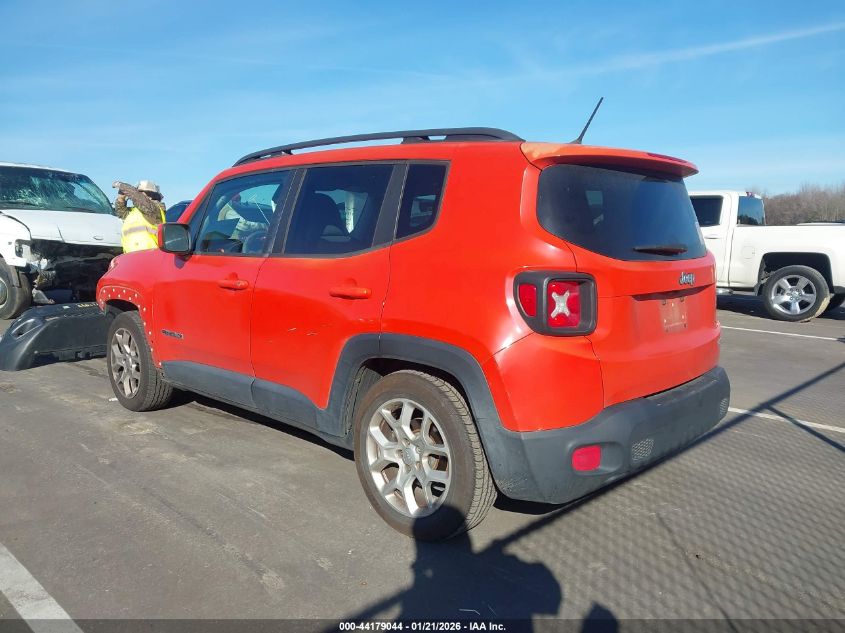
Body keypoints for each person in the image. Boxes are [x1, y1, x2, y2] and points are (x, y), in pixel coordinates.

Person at [114, 180, 166, 253]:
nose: (137, 195)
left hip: (149, 255)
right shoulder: (134, 212)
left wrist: (122, 186)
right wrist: (121, 199)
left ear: (151, 196)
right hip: (131, 256)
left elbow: (138, 197)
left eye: (141, 193)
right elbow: (121, 212)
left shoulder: (154, 210)